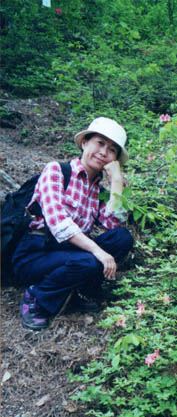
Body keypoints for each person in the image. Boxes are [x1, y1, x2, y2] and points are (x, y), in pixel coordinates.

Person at [12, 117, 134, 331]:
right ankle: (36, 300)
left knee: (122, 238)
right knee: (87, 261)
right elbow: (59, 223)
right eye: (100, 143)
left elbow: (113, 224)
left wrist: (116, 181)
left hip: (68, 253)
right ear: (85, 142)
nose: (104, 152)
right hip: (36, 253)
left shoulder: (96, 189)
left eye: (112, 149)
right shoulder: (56, 171)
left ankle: (79, 288)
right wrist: (99, 252)